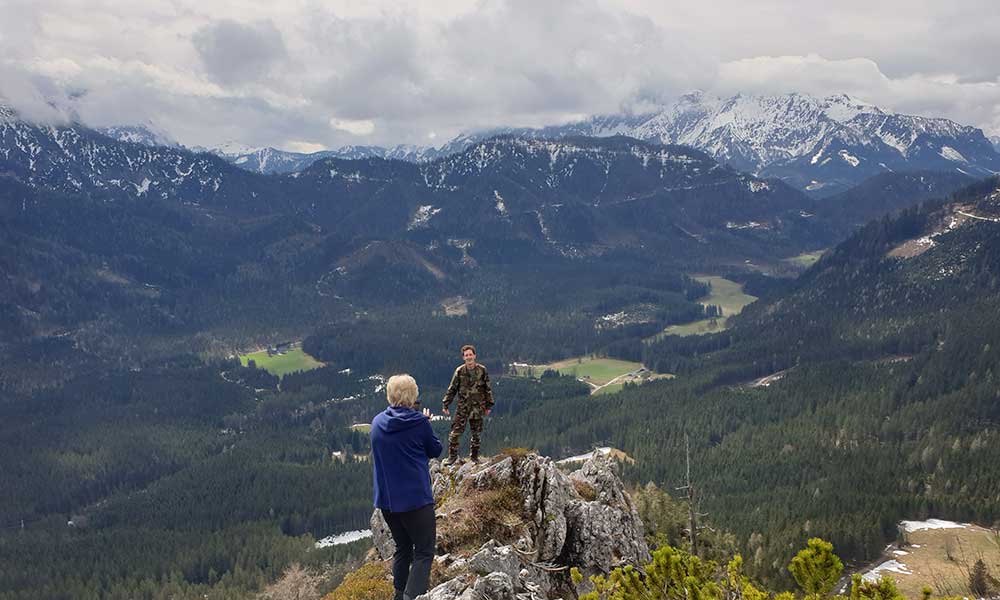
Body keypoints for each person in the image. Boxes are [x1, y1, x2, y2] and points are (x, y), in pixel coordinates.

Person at [371, 374, 443, 600]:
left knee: (403, 548)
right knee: (424, 551)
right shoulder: (419, 423)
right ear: (413, 397)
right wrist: (426, 423)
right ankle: (412, 597)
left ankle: (399, 595)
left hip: (387, 502)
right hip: (415, 501)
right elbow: (435, 450)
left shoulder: (377, 422)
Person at [442, 344, 494, 465]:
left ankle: (474, 458)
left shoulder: (482, 370)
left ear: (474, 356)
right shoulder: (459, 371)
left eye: (470, 354)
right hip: (463, 408)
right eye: (466, 355)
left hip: (478, 408)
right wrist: (446, 404)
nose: (469, 357)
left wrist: (489, 405)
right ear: (463, 357)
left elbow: (488, 389)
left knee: (476, 435)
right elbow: (452, 389)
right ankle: (452, 457)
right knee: (455, 433)